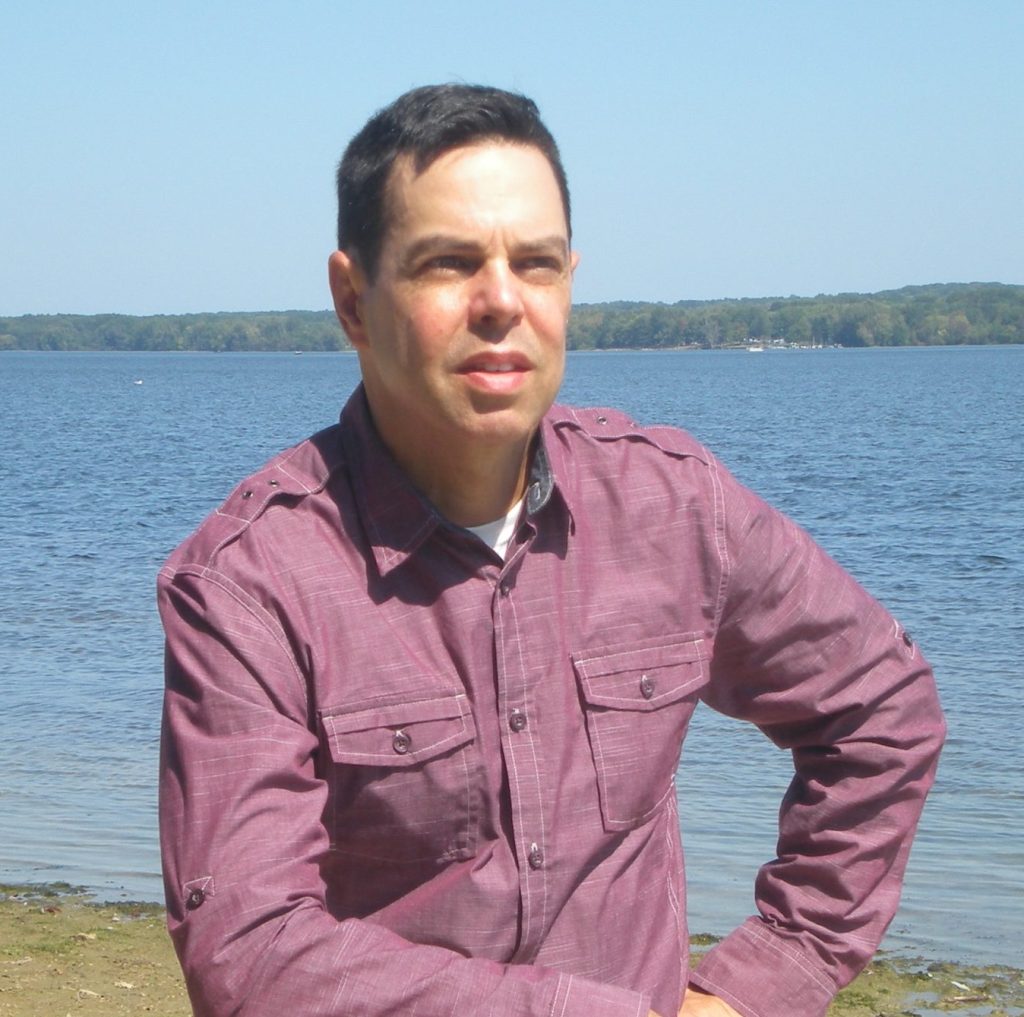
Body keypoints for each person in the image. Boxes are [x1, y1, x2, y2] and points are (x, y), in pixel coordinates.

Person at [158, 83, 945, 1017]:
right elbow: (250, 953)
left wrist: (759, 983)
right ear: (352, 300)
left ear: (570, 280)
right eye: (450, 264)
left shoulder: (676, 505)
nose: (502, 301)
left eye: (535, 264)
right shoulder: (250, 582)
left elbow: (882, 712)